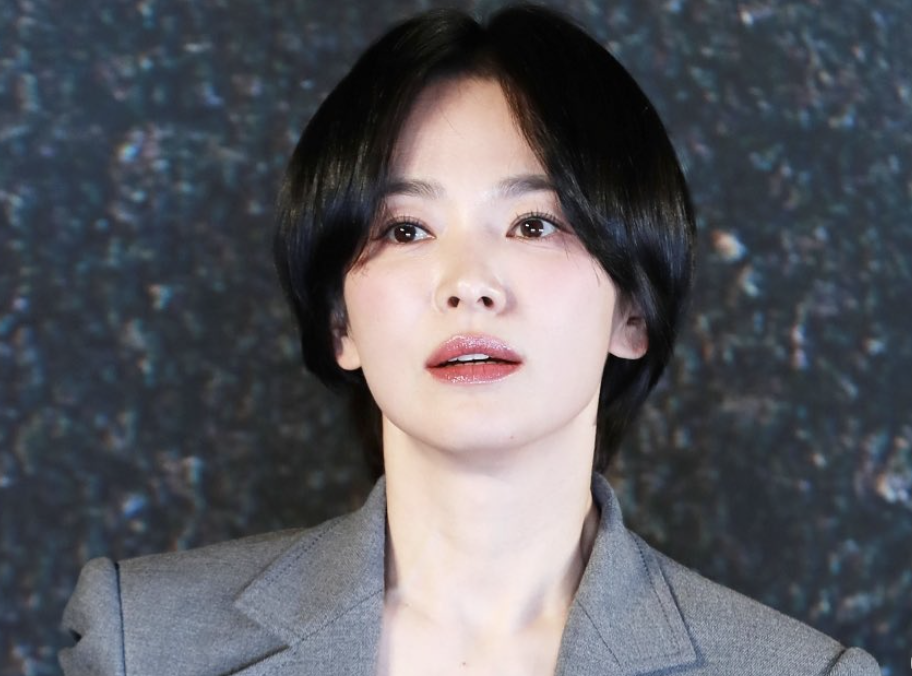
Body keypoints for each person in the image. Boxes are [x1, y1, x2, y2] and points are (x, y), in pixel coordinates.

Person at [60, 5, 881, 675]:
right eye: (406, 229)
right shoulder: (146, 644)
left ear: (633, 311)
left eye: (533, 223)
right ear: (340, 323)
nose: (468, 282)